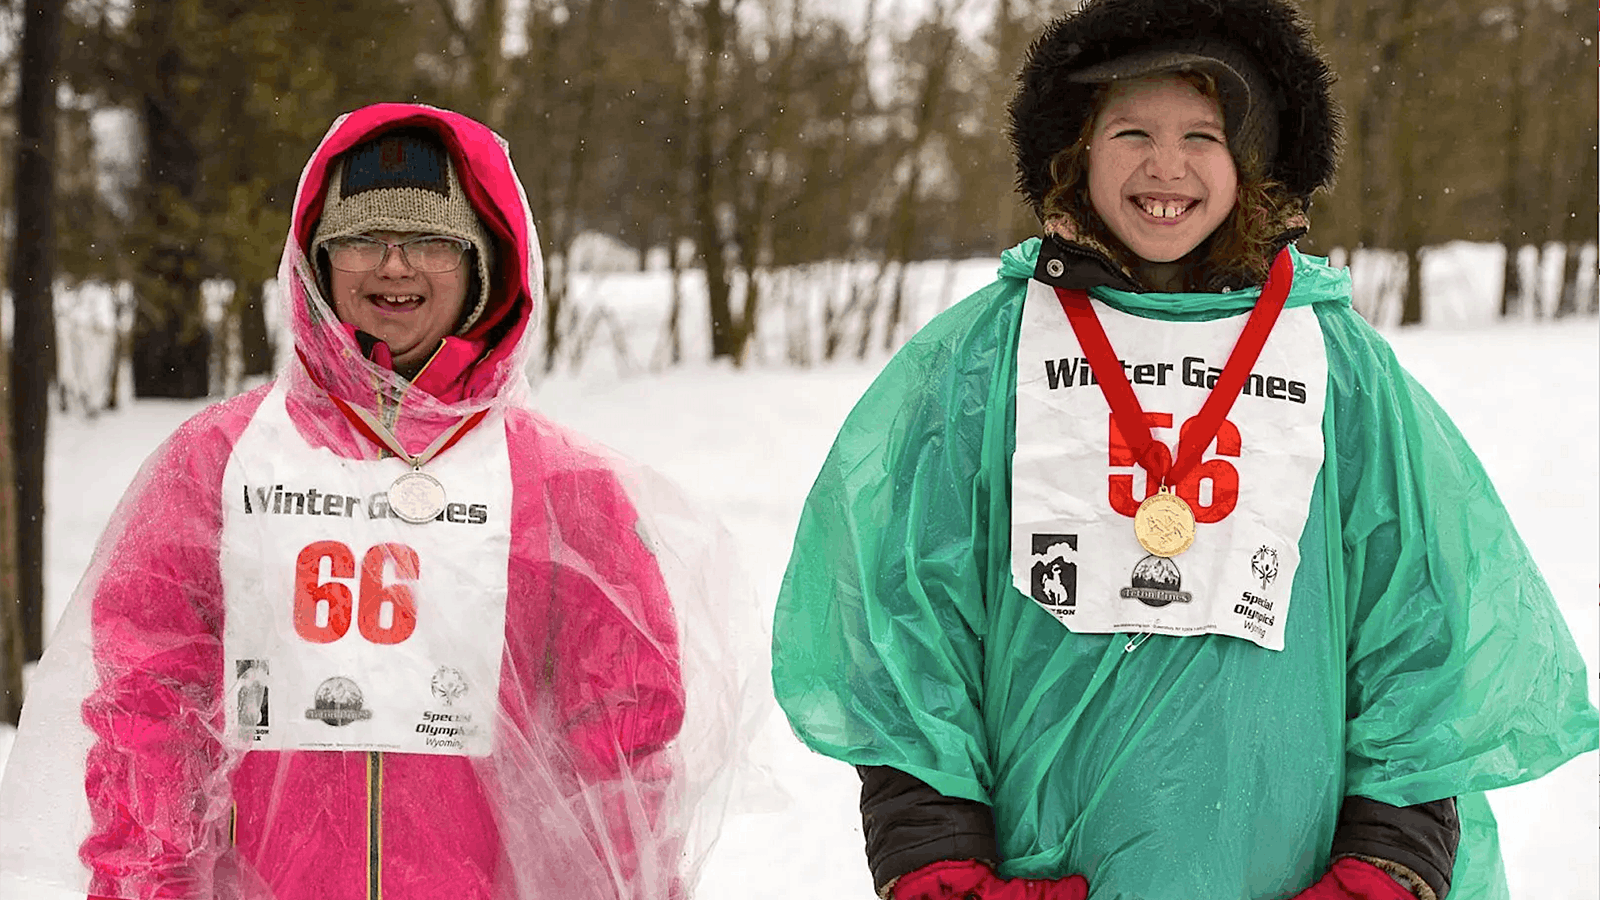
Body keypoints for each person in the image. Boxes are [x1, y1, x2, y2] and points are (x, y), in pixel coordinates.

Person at [769, 2, 1598, 900]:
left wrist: (1388, 863)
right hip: (1044, 869)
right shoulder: (985, 358)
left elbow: (1422, 624)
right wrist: (938, 863)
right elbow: (906, 623)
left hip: (1292, 869)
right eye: (1131, 130)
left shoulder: (1339, 363)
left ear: (1253, 160)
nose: (1166, 167)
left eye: (1203, 135)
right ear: (1076, 150)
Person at [0, 103, 754, 900]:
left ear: (482, 265)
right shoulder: (217, 462)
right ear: (317, 264)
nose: (394, 269)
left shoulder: (559, 484)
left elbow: (621, 735)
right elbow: (147, 708)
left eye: (431, 241)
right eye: (361, 240)